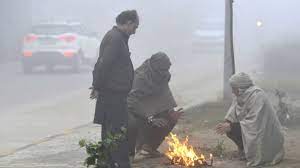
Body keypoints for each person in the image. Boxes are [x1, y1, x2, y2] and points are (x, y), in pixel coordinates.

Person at [90, 10, 139, 168]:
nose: (135, 31)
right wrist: (97, 86)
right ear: (129, 23)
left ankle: (107, 163)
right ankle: (122, 163)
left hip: (114, 92)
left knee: (111, 130)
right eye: (135, 27)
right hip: (113, 94)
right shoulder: (115, 38)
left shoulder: (118, 37)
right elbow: (104, 64)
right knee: (118, 131)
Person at [215, 72, 284, 167]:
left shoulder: (258, 96)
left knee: (232, 128)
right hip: (252, 129)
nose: (232, 92)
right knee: (230, 130)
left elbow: (255, 124)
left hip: (266, 137)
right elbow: (232, 113)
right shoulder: (240, 96)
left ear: (241, 87)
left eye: (234, 88)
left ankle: (257, 154)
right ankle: (246, 151)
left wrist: (231, 126)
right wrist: (227, 123)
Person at [127, 52, 183, 160]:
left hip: (150, 107)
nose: (166, 73)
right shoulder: (140, 77)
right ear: (154, 67)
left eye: (167, 69)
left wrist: (170, 110)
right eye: (163, 70)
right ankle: (137, 149)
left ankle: (149, 148)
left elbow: (164, 92)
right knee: (138, 123)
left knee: (170, 118)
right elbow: (131, 101)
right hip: (134, 109)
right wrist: (150, 117)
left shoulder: (164, 74)